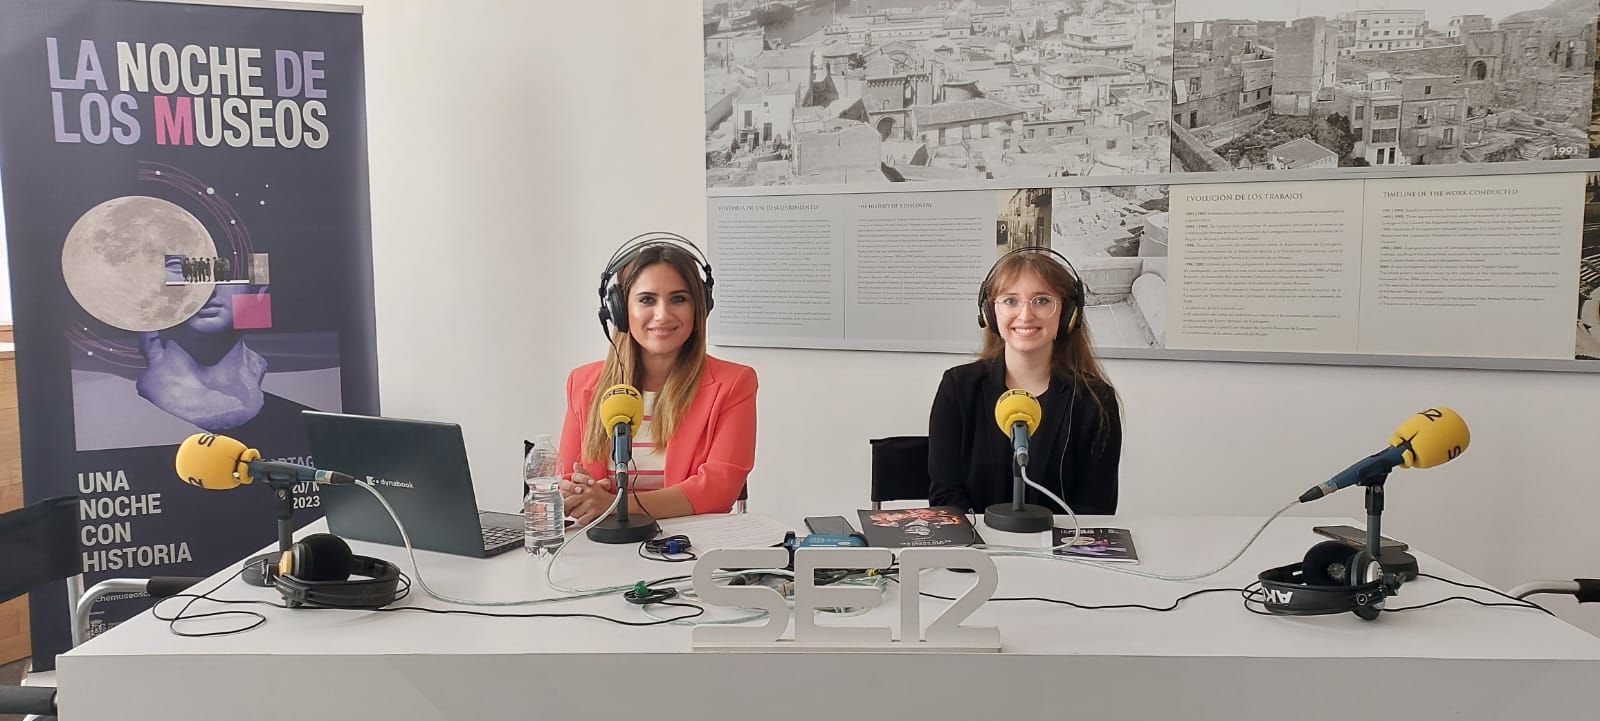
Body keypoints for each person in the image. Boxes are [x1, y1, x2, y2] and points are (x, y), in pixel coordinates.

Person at [557, 234, 757, 525]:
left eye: (678, 298)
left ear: (699, 307)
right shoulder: (583, 383)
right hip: (601, 550)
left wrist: (615, 505)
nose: (662, 315)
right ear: (620, 310)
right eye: (647, 299)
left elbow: (717, 490)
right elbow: (565, 480)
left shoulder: (734, 384)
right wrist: (575, 494)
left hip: (688, 551)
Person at [927, 247, 1121, 516]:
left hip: (1058, 551)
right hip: (978, 549)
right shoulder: (958, 387)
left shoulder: (1095, 400)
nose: (1026, 315)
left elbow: (1096, 506)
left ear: (1068, 314)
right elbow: (946, 496)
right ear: (990, 313)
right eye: (1010, 301)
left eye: (1042, 300)